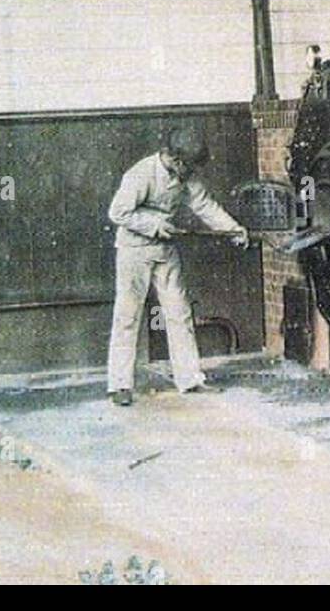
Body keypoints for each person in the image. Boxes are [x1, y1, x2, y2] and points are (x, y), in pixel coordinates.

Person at [106, 128, 248, 405]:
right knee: (128, 315)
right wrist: (155, 224)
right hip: (133, 251)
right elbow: (117, 212)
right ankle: (120, 384)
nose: (191, 172)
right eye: (188, 166)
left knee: (179, 312)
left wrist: (233, 230)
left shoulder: (186, 175)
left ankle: (190, 379)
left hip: (165, 251)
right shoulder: (141, 174)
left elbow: (205, 206)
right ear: (174, 158)